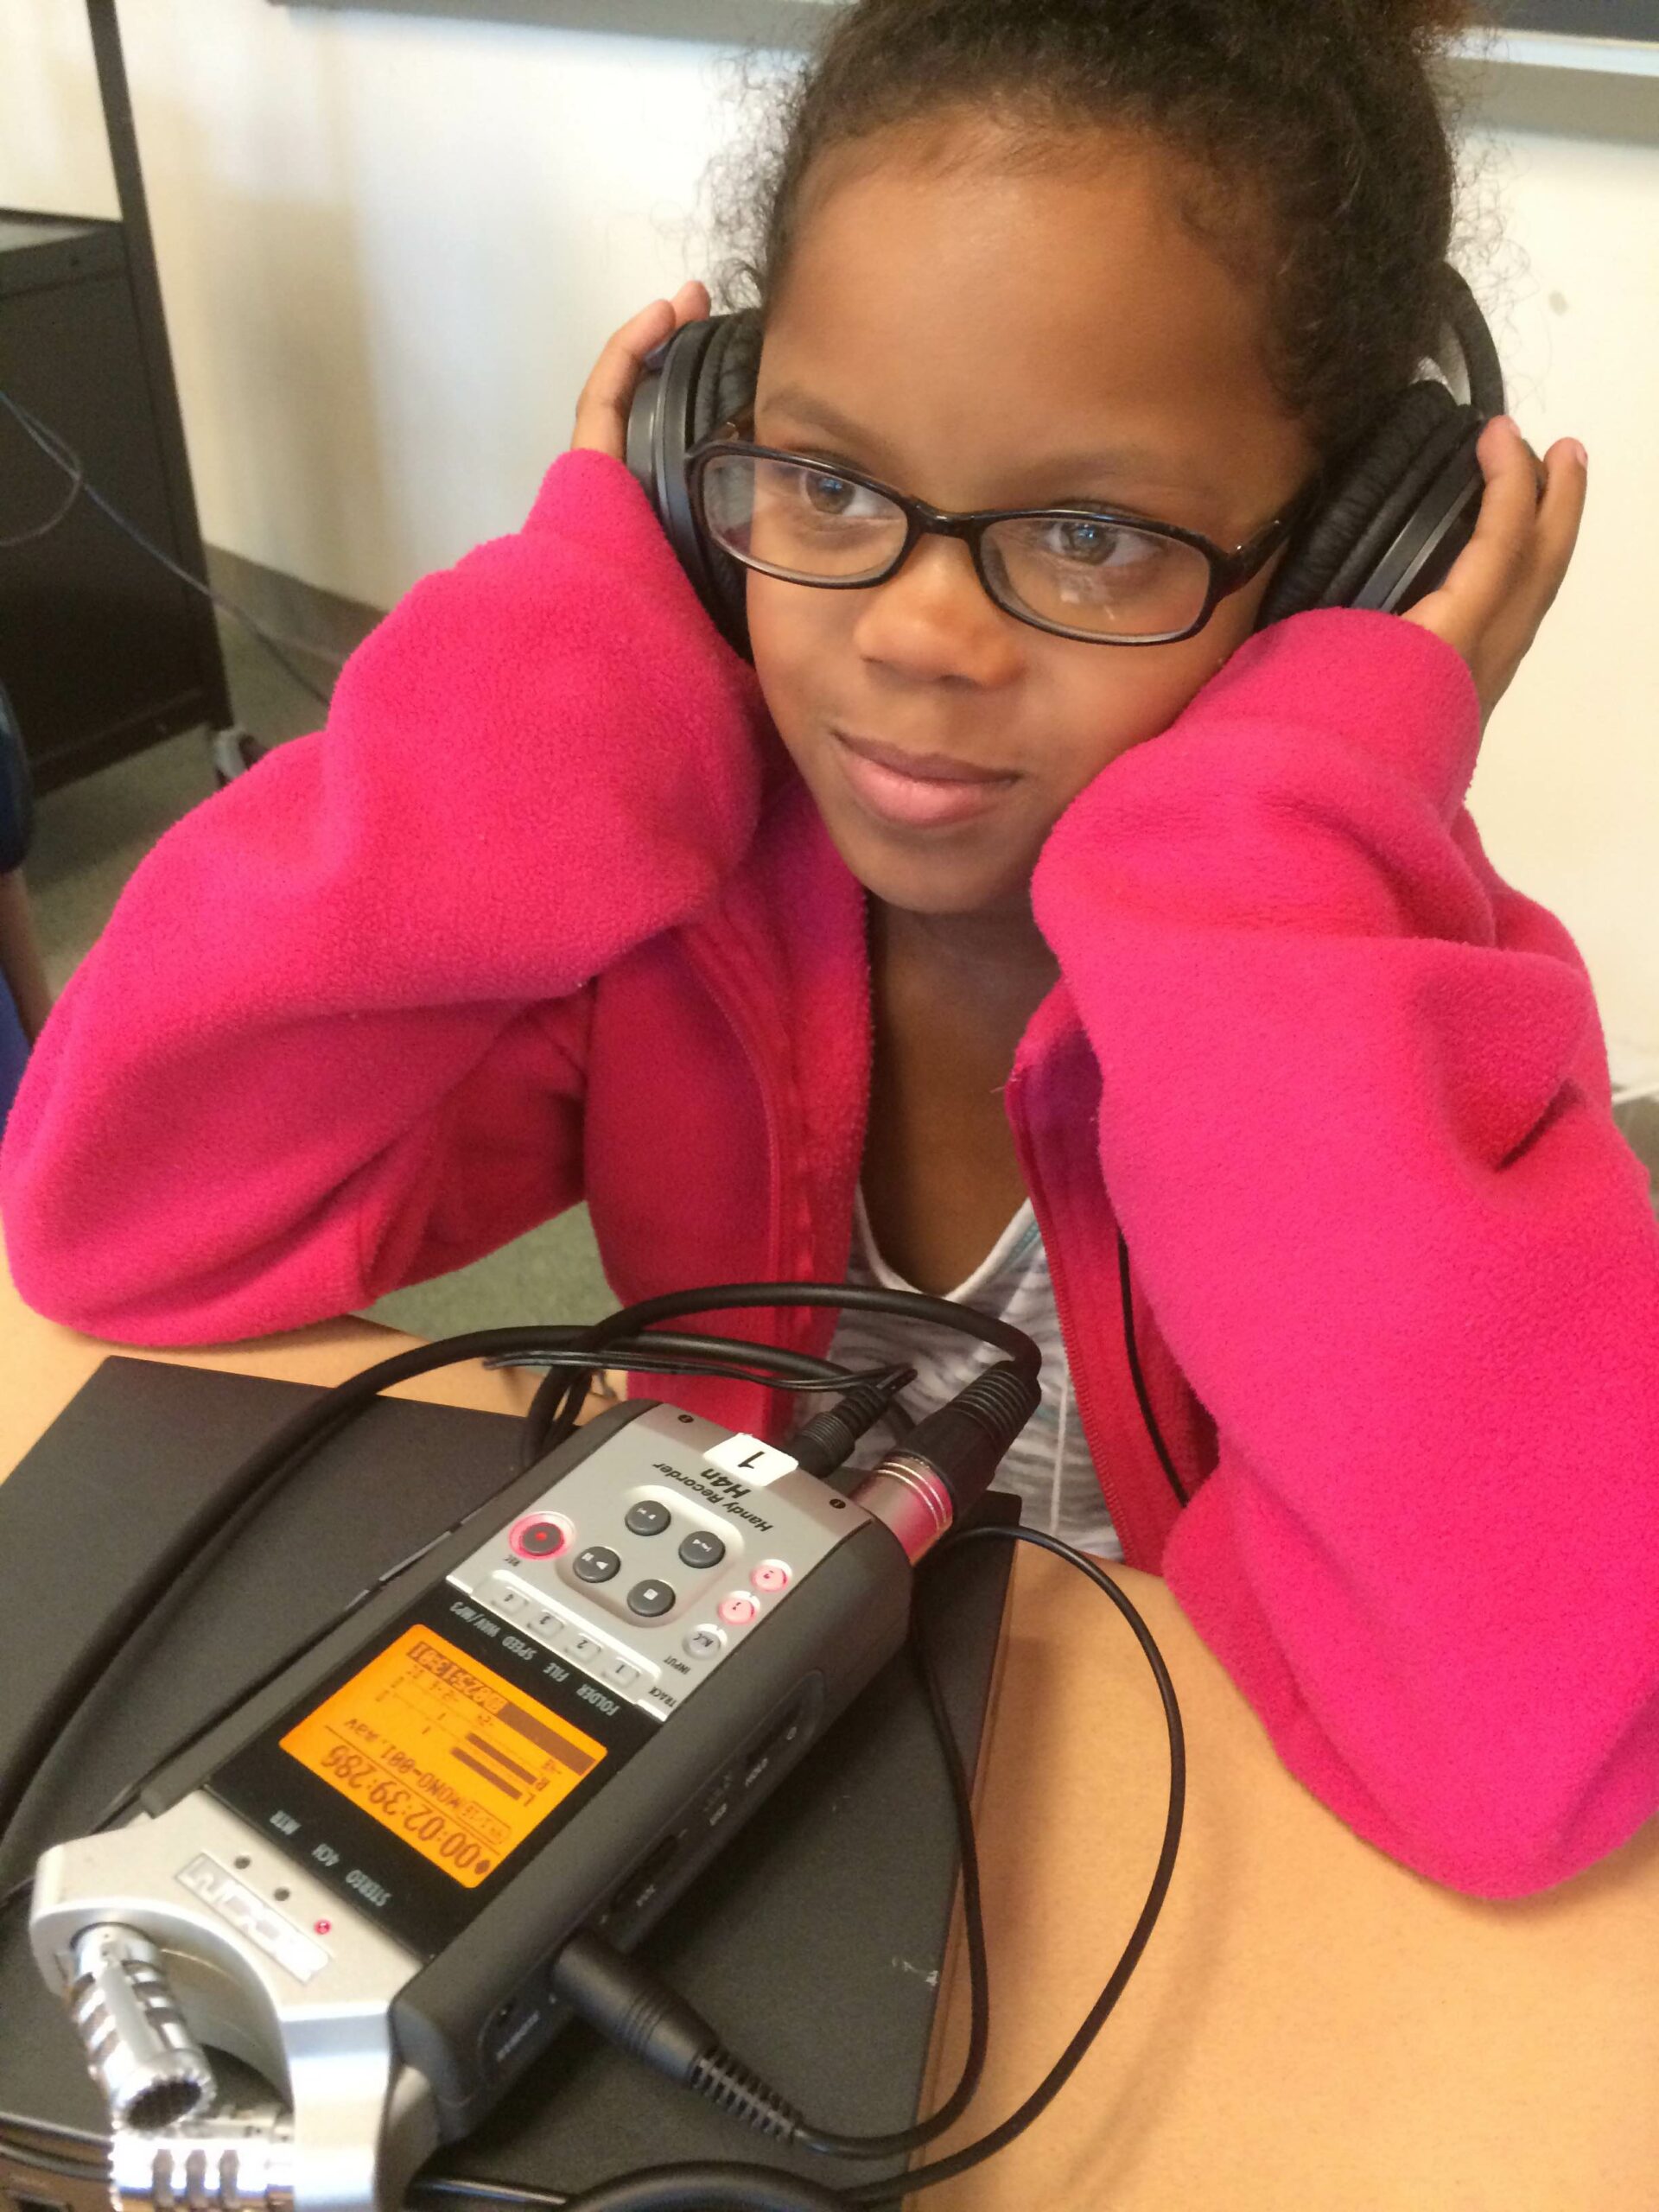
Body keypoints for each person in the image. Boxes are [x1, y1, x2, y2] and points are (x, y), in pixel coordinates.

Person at [2, 0, 1653, 1901]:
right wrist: (569, 661)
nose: (921, 633)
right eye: (832, 486)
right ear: (716, 451)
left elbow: (1524, 1749)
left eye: (1096, 532)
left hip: (1175, 1852)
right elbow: (120, 1213)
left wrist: (1267, 860)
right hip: (737, 1793)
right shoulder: (672, 918)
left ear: (1360, 556)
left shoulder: (1393, 997)